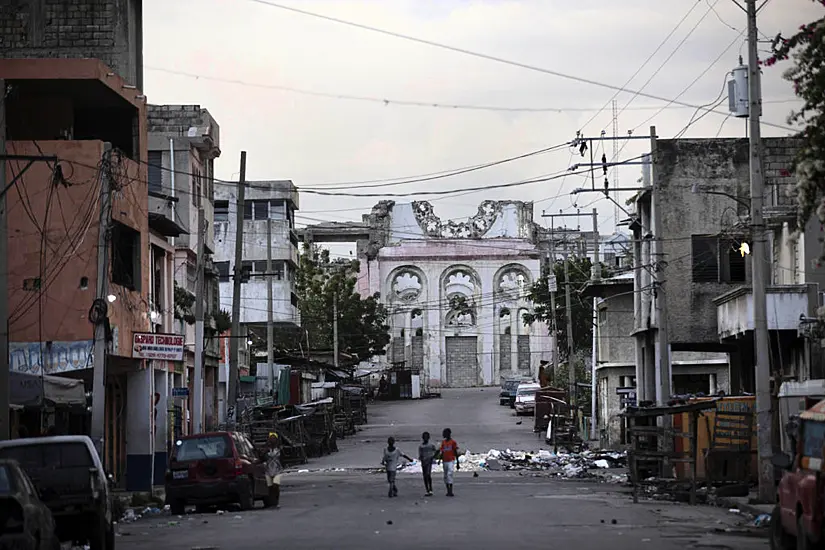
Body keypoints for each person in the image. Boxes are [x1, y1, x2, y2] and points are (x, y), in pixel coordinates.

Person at [265, 433, 283, 509]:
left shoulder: (279, 448)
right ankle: (271, 503)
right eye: (271, 438)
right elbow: (262, 457)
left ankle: (276, 502)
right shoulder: (266, 449)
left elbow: (283, 458)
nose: (272, 440)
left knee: (276, 485)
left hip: (277, 469)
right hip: (268, 469)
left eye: (274, 438)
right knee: (270, 487)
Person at [439, 428, 459, 497]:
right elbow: (442, 451)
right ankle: (448, 490)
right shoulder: (443, 442)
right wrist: (439, 460)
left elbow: (455, 452)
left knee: (449, 474)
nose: (443, 435)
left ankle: (451, 491)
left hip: (451, 460)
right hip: (445, 461)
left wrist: (458, 462)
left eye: (444, 433)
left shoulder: (453, 442)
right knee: (445, 475)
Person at [418, 431, 437, 496]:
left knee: (428, 475)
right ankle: (427, 489)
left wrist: (433, 457)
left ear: (428, 438)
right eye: (424, 437)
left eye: (426, 437)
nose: (425, 438)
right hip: (424, 462)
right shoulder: (421, 446)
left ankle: (430, 489)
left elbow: (435, 451)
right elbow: (420, 455)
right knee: (425, 476)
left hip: (429, 461)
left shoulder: (431, 445)